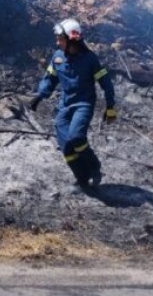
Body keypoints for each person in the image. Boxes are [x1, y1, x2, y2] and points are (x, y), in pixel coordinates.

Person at [28, 18, 117, 191]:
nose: (57, 42)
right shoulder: (57, 57)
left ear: (71, 39)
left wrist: (110, 106)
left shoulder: (90, 59)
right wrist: (39, 96)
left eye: (60, 38)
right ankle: (82, 179)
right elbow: (50, 79)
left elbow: (105, 82)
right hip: (65, 105)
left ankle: (94, 167)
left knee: (76, 137)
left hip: (83, 104)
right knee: (66, 147)